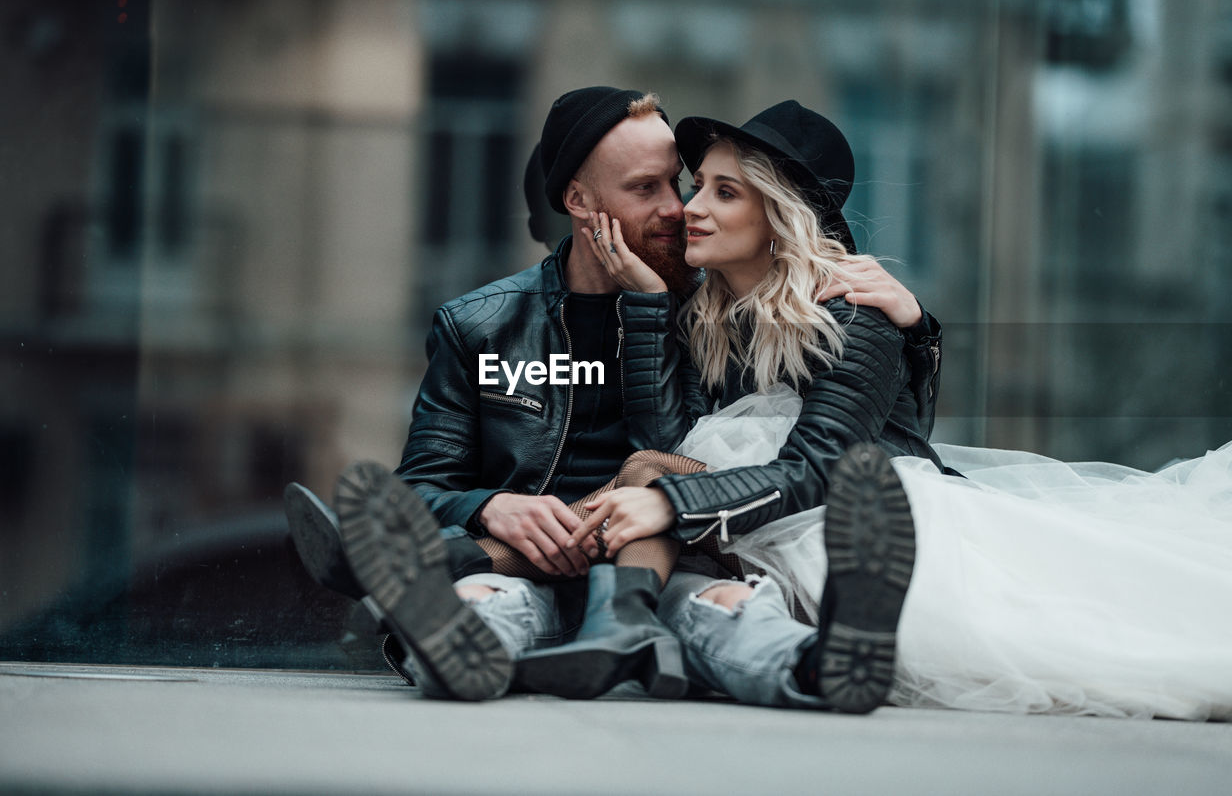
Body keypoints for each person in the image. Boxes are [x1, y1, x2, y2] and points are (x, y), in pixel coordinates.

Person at [541, 100, 1232, 721]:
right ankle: (584, 609)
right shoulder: (702, 315)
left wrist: (671, 502)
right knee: (644, 474)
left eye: (723, 193)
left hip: (860, 523)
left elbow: (821, 466)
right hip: (757, 523)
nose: (690, 210)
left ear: (783, 216)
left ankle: (528, 592)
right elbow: (674, 443)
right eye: (697, 185)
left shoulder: (859, 312)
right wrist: (643, 301)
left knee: (1128, 650)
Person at [284, 86, 944, 703]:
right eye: (648, 188)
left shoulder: (707, 305)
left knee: (724, 607)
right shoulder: (483, 326)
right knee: (482, 604)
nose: (678, 208)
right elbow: (422, 487)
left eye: (687, 186)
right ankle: (448, 636)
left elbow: (717, 449)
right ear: (578, 201)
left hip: (673, 560)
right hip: (541, 565)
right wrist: (491, 506)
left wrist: (916, 332)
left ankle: (819, 668)